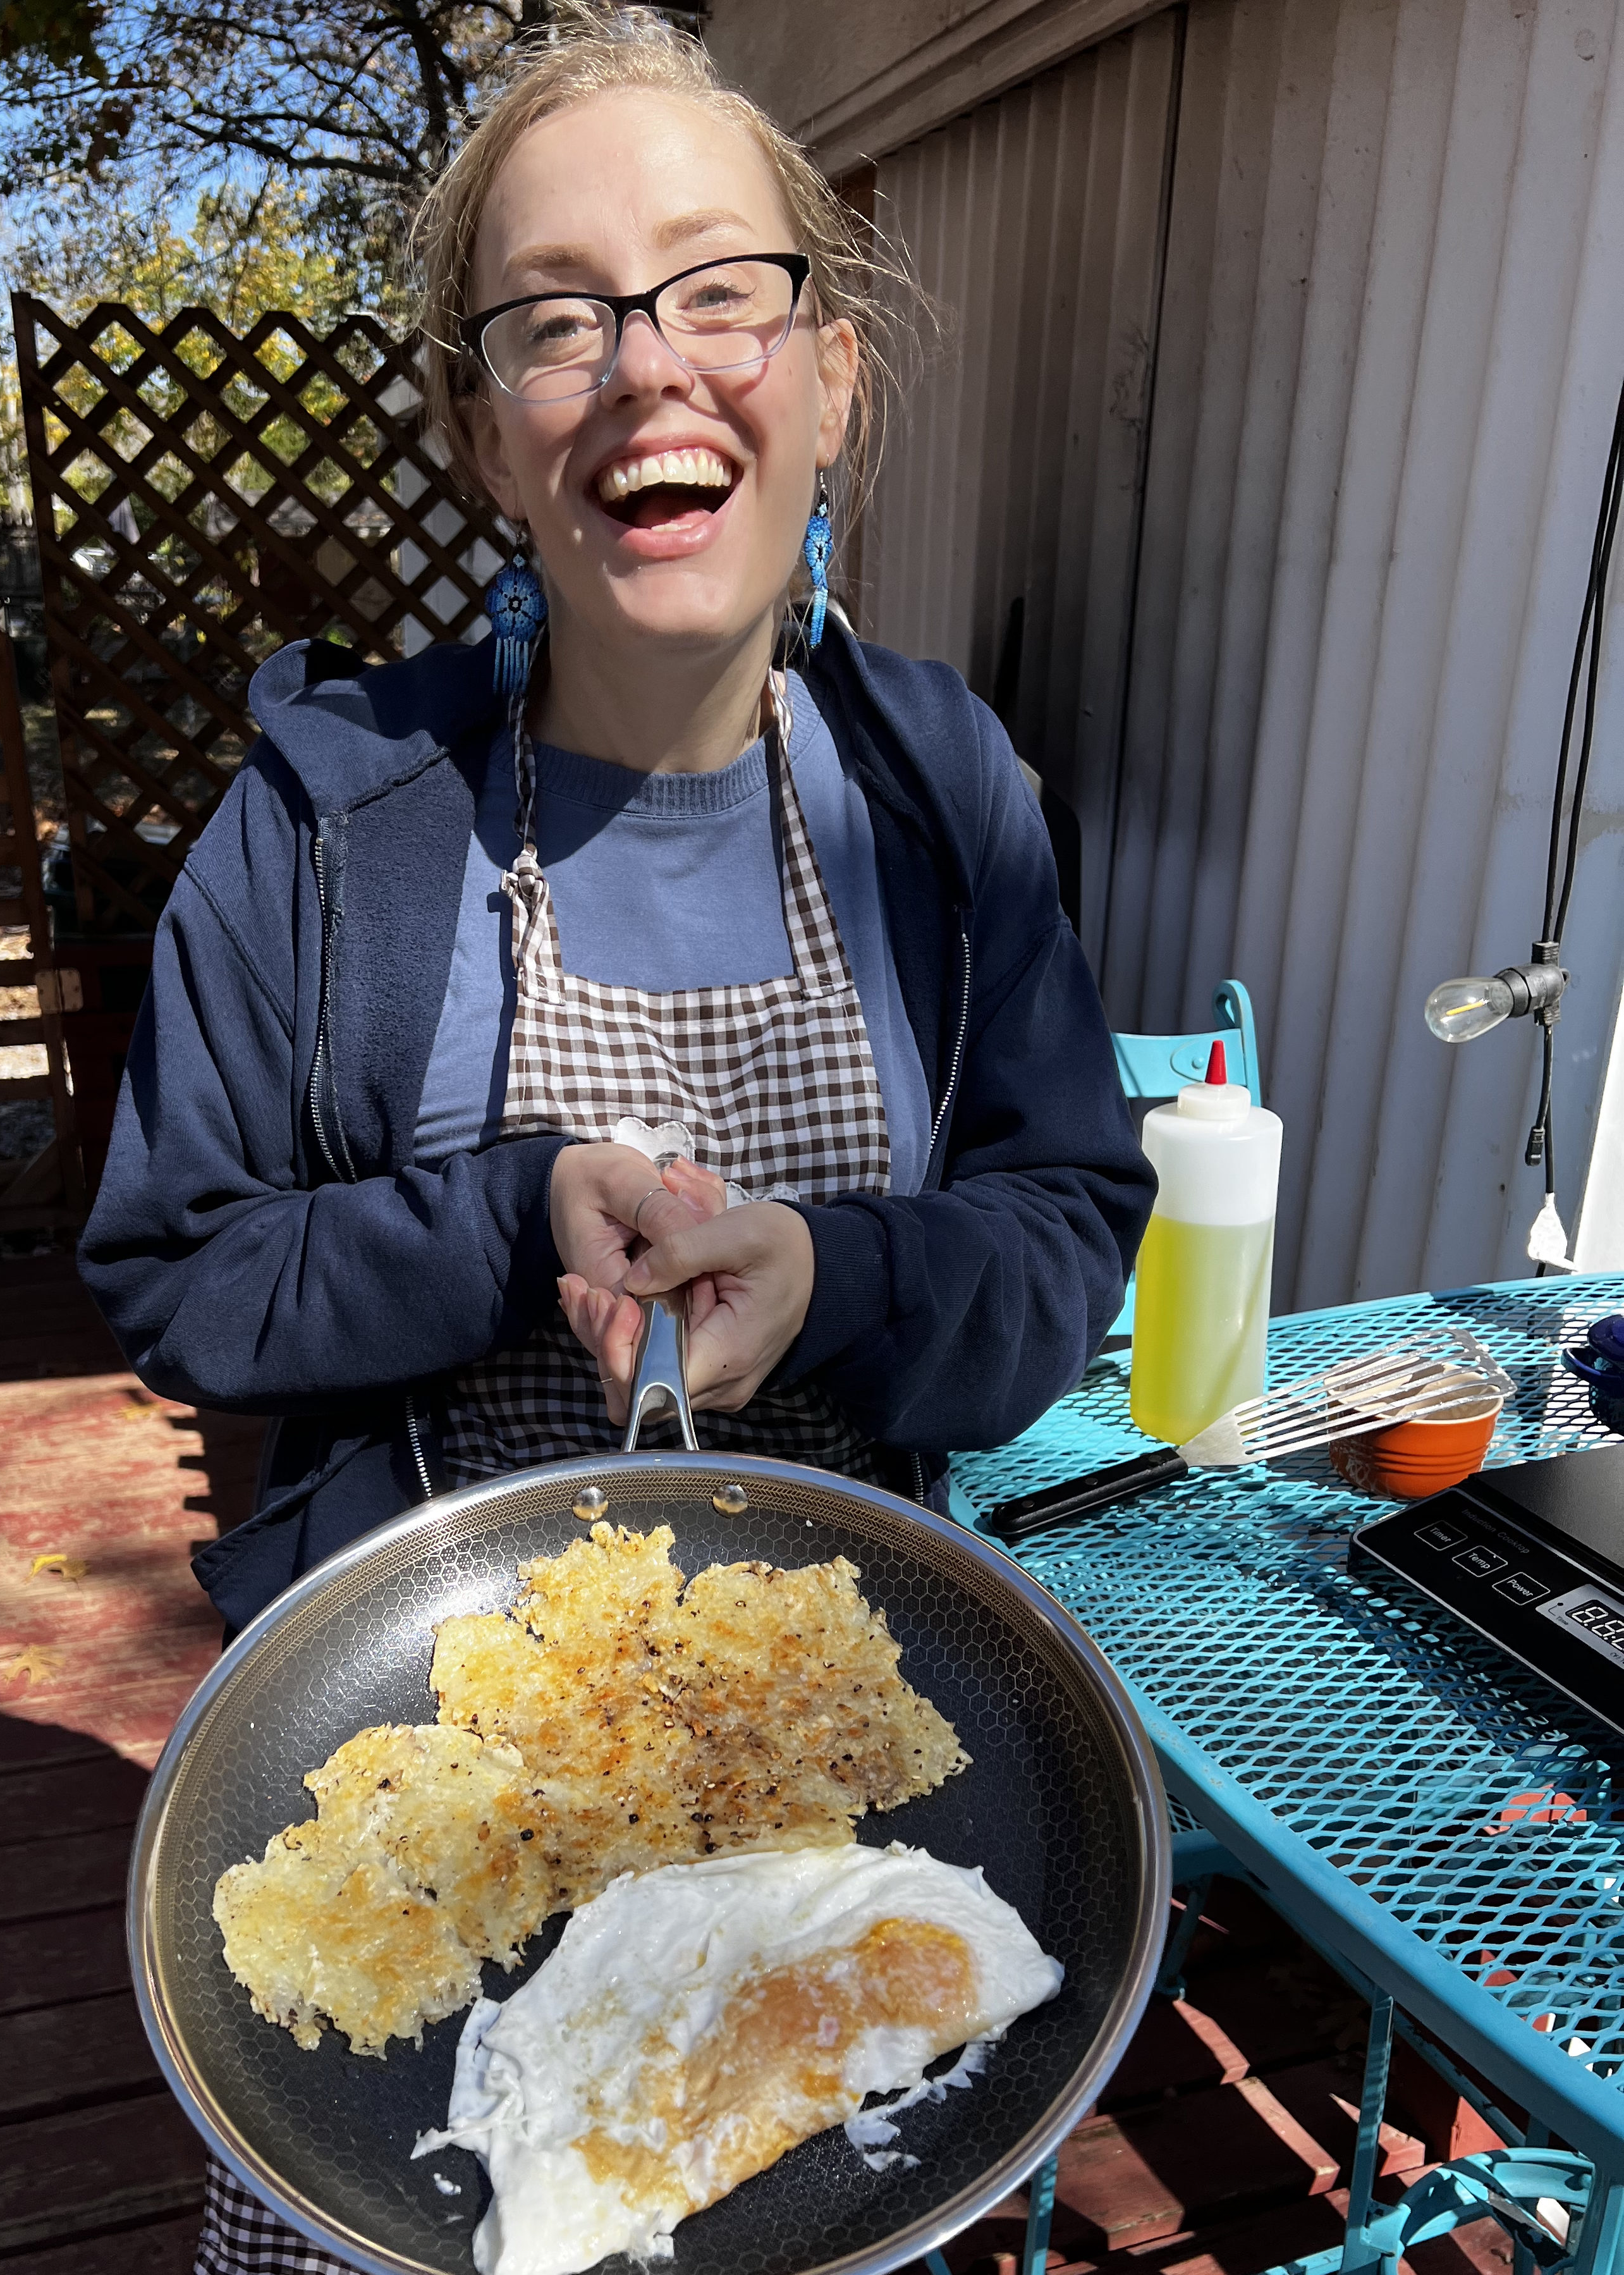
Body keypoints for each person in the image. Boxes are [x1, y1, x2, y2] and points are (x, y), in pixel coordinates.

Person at [81, 10, 1153, 2263]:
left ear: (833, 370)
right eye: (557, 318)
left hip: (832, 1758)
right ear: (488, 430)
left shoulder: (951, 797)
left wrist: (843, 1281)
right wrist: (501, 1217)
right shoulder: (323, 823)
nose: (650, 366)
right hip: (448, 1754)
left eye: (717, 288)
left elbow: (1064, 1231)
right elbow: (175, 1273)